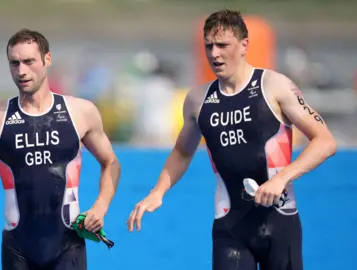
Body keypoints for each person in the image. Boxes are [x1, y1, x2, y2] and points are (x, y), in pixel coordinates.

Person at [127, 9, 337, 270]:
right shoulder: (197, 100)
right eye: (209, 46)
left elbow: (325, 141)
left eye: (223, 45)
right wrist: (157, 192)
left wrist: (281, 178)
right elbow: (182, 152)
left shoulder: (274, 85)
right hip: (230, 225)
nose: (214, 54)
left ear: (244, 45)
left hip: (280, 222)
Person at [0, 29, 121, 270]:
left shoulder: (80, 112)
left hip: (68, 246)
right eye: (14, 63)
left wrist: (100, 208)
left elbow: (111, 163)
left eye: (29, 61)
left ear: (46, 60)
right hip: (18, 249)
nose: (21, 71)